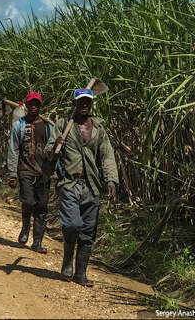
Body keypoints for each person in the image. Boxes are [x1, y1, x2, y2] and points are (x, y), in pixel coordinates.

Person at [44, 87, 118, 287]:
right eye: (81, 102)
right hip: (69, 183)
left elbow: (107, 156)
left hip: (91, 186)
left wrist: (111, 180)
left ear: (92, 103)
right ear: (74, 104)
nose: (85, 105)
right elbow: (49, 152)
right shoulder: (63, 125)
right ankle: (67, 259)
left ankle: (80, 274)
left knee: (88, 232)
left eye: (88, 102)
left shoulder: (98, 129)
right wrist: (55, 147)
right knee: (72, 225)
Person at [6, 91, 53, 253]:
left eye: (36, 104)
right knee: (28, 202)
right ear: (26, 106)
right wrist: (12, 174)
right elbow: (13, 150)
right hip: (25, 170)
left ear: (40, 106)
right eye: (31, 104)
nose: (34, 106)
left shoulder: (48, 127)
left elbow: (54, 150)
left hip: (44, 173)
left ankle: (37, 242)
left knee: (41, 207)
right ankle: (25, 228)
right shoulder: (18, 125)